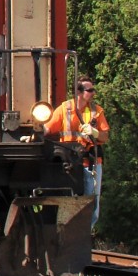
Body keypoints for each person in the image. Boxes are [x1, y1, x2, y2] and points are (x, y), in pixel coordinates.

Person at [43, 77, 110, 229]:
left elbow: (105, 136)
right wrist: (33, 135)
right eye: (90, 90)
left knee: (92, 204)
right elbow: (47, 129)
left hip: (90, 164)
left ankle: (85, 232)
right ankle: (67, 231)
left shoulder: (96, 111)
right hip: (69, 164)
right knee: (69, 201)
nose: (93, 93)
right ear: (78, 92)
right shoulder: (64, 109)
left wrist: (95, 132)